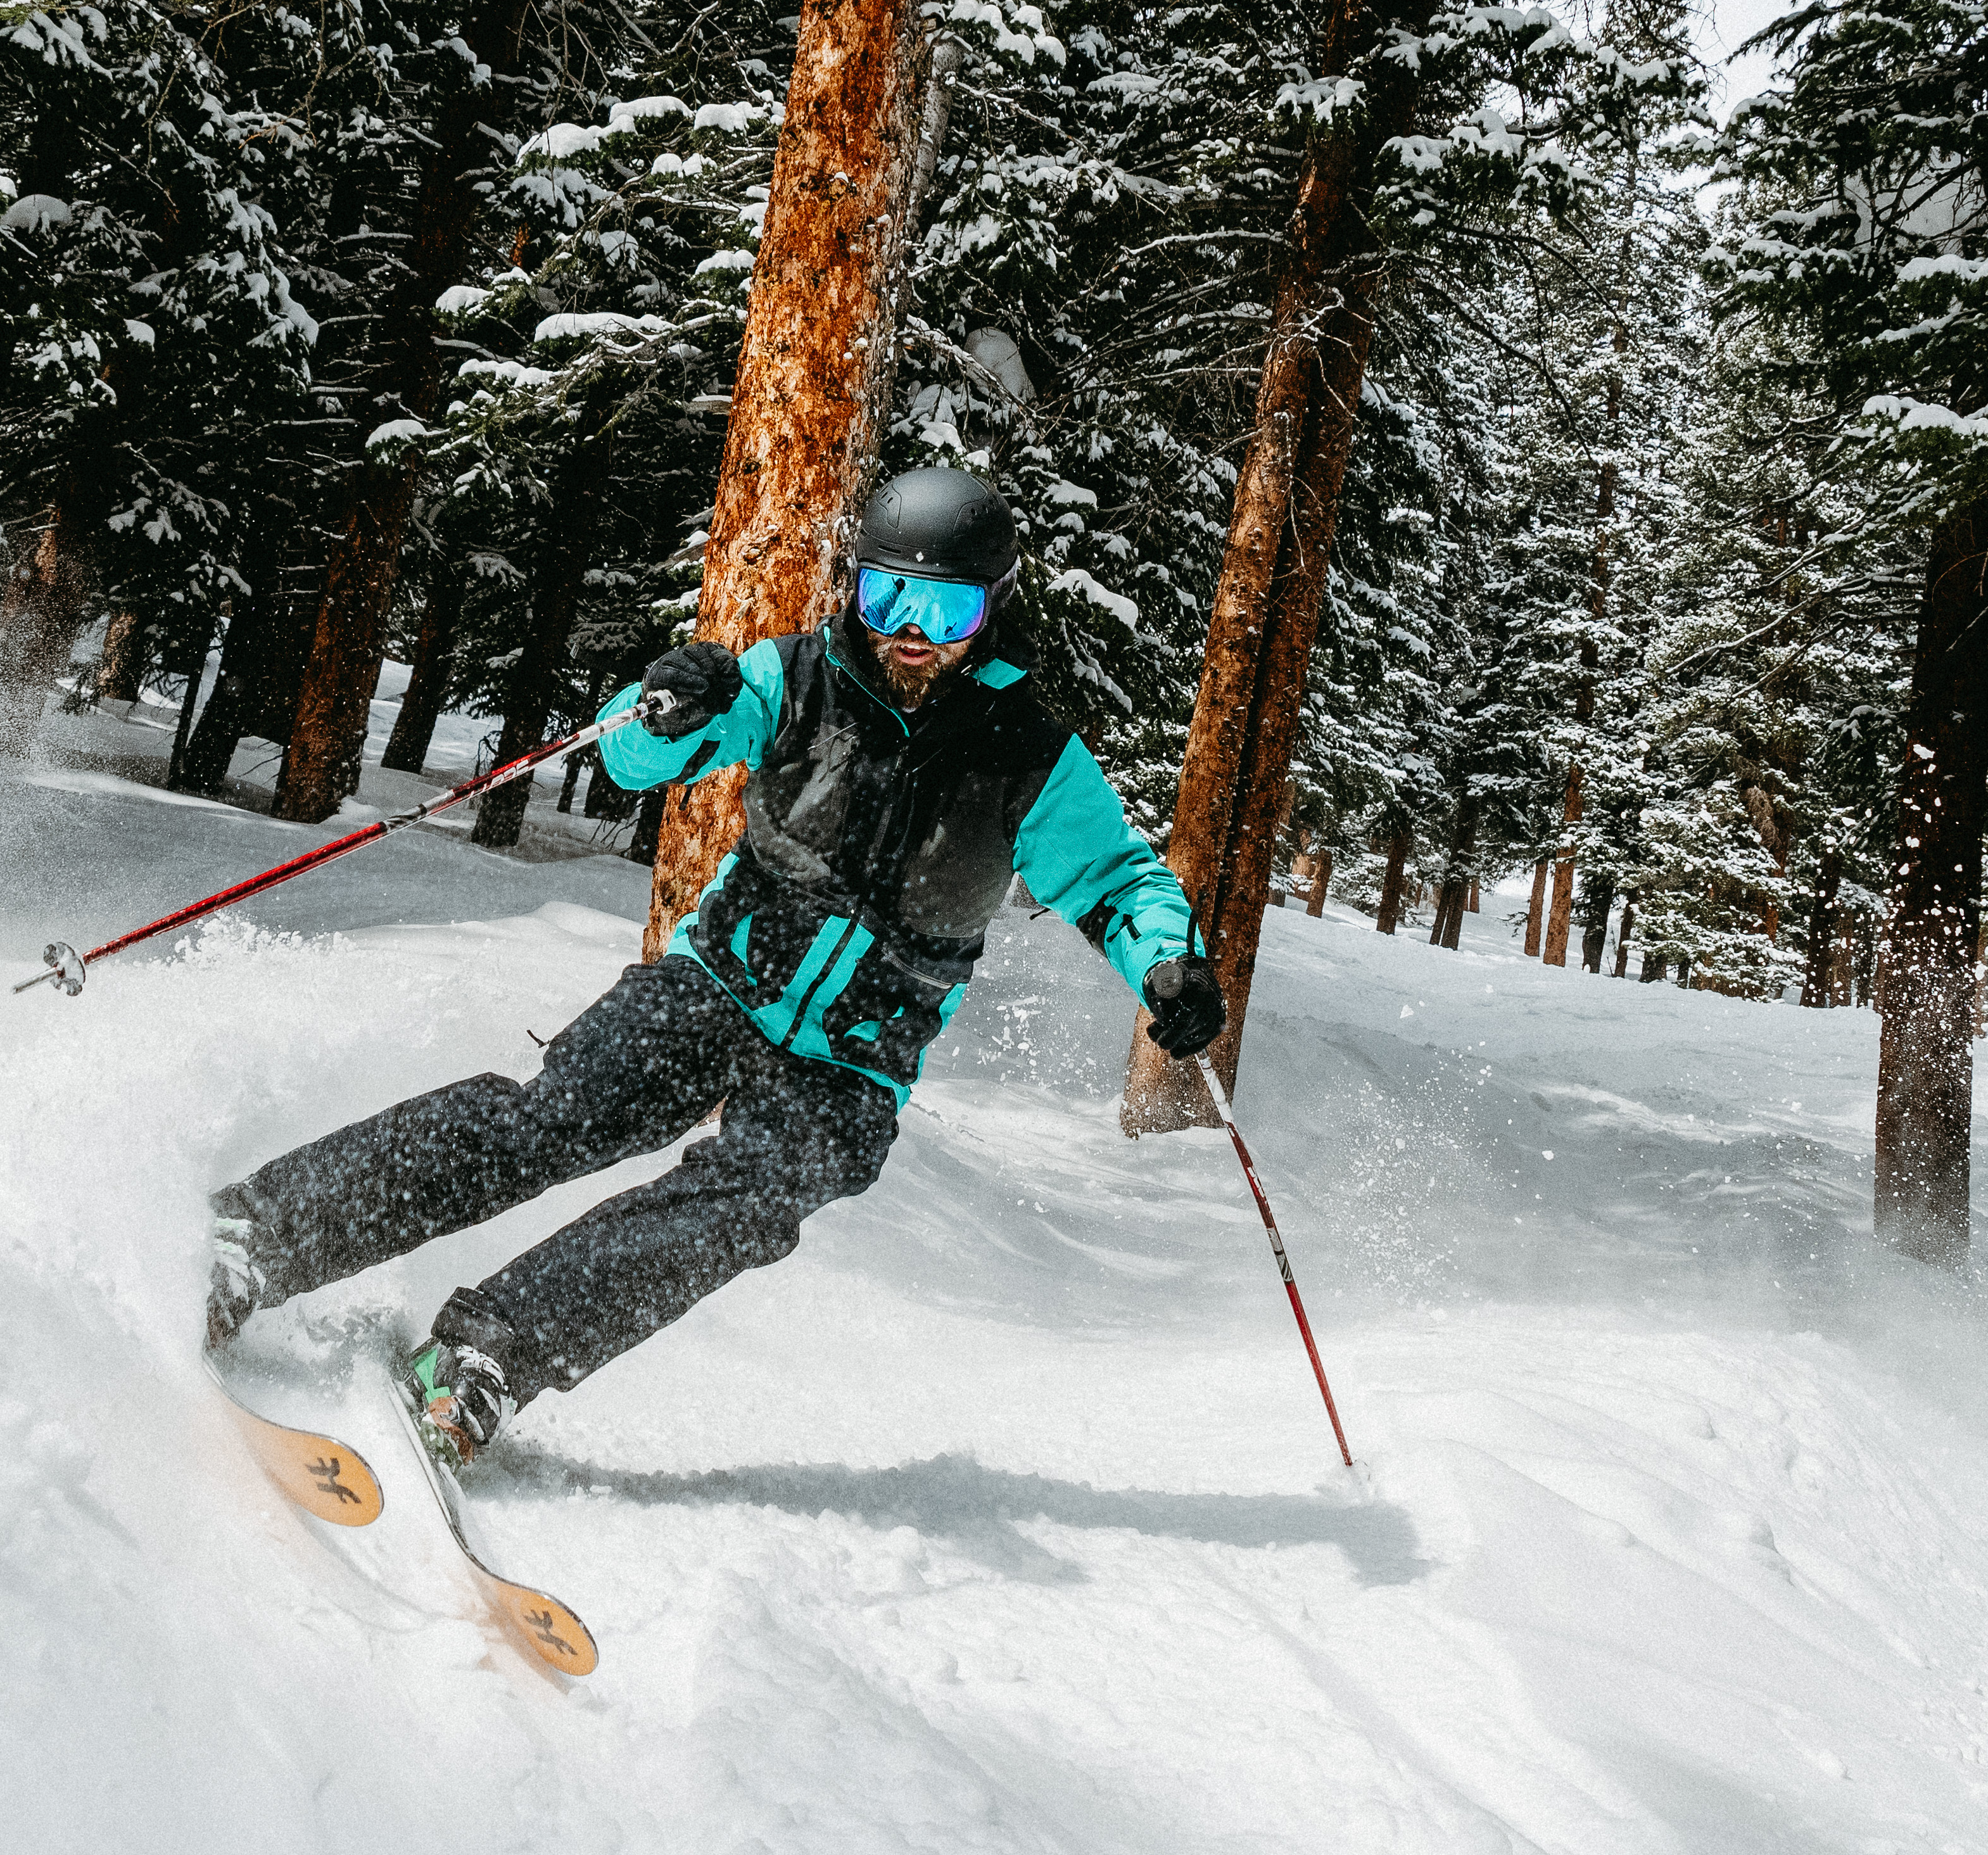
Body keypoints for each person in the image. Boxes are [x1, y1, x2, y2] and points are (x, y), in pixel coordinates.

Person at [201, 464, 1229, 1461]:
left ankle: (487, 1358)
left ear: (990, 612)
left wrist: (1168, 966)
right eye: (888, 596)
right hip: (717, 982)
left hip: (856, 1058)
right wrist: (673, 700)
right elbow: (636, 753)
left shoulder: (1031, 755)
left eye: (944, 612)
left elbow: (1117, 885)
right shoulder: (797, 678)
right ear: (857, 586)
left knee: (745, 1202)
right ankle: (264, 1237)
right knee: (556, 1116)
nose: (909, 633)